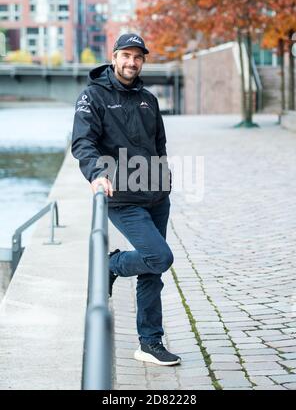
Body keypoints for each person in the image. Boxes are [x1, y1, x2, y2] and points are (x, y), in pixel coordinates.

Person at [71, 33, 181, 366]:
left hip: (156, 196)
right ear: (114, 57)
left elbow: (158, 142)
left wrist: (164, 175)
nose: (132, 62)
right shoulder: (93, 96)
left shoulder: (148, 97)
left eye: (138, 57)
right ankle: (111, 265)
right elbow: (82, 142)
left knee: (152, 272)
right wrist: (96, 173)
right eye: (126, 55)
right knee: (159, 257)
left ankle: (150, 343)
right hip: (123, 198)